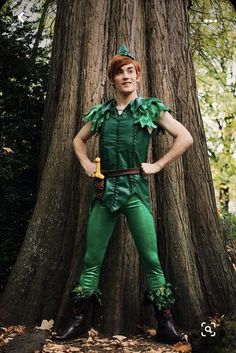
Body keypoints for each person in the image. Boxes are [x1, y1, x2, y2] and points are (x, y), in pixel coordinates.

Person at [53, 45, 193, 343]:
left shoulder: (151, 108)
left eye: (130, 71)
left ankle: (166, 325)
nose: (125, 76)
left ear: (138, 76)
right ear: (112, 79)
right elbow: (78, 141)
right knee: (92, 258)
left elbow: (185, 137)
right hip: (105, 190)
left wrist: (157, 164)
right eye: (119, 72)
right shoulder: (102, 112)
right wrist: (87, 163)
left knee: (151, 258)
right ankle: (79, 323)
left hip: (135, 191)